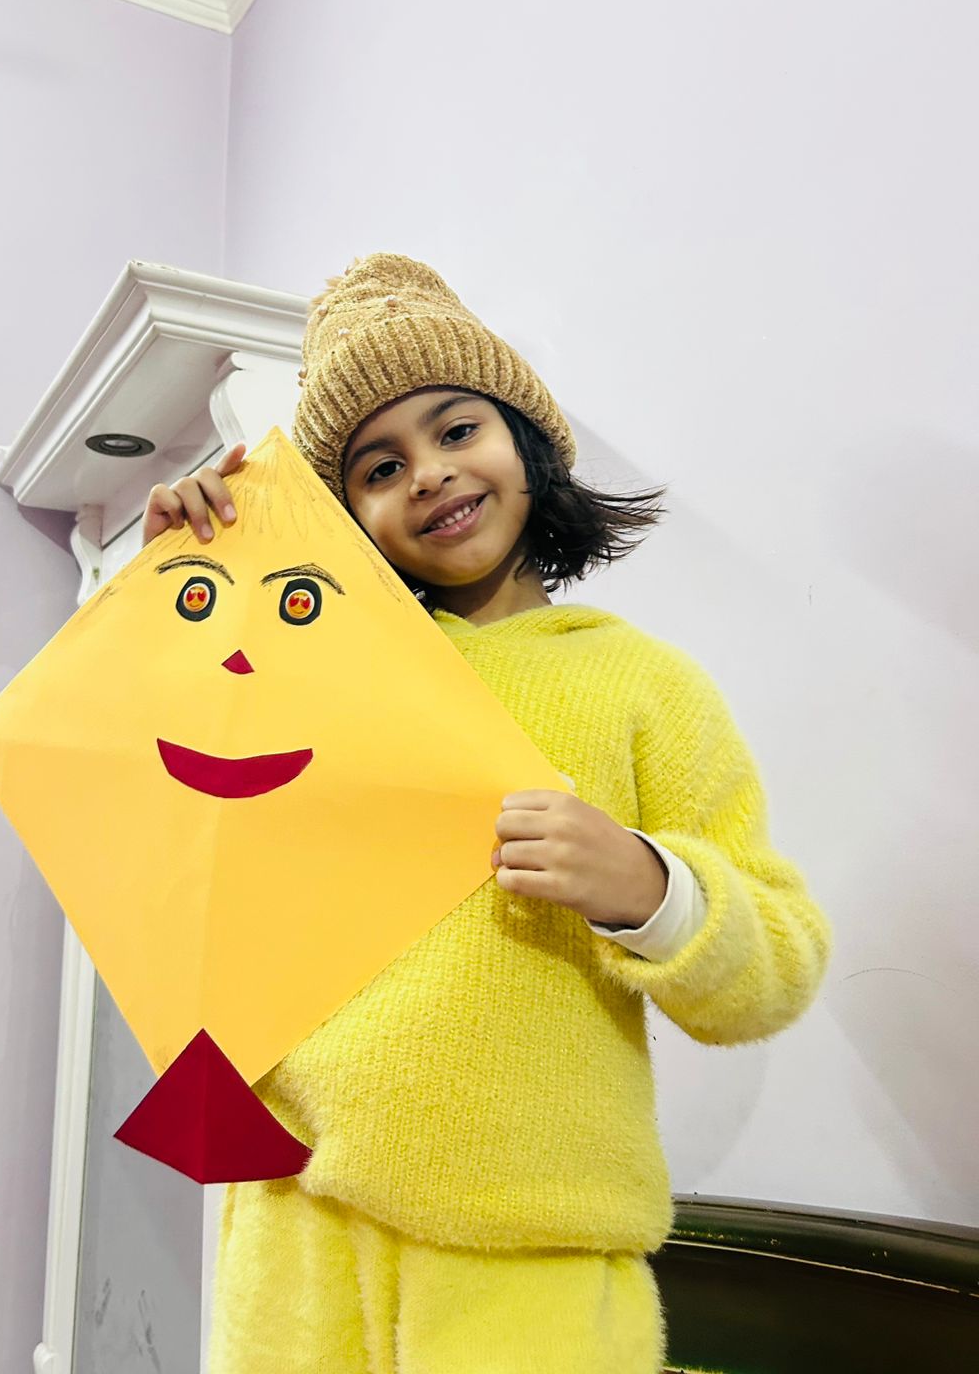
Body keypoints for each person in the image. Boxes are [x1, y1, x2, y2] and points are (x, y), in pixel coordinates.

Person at [142, 252, 831, 1374]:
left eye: (457, 428)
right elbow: (176, 834)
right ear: (344, 518)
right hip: (293, 1227)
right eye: (378, 467)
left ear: (528, 440)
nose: (427, 475)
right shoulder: (315, 674)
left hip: (527, 1246)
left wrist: (651, 889)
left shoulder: (643, 685)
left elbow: (780, 967)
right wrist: (182, 584)